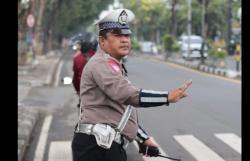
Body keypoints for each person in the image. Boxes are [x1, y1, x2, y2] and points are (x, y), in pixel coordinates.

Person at [71, 8, 192, 161]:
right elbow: (126, 95)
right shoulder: (100, 64)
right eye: (117, 35)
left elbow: (121, 110)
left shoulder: (113, 65)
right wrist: (167, 97)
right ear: (102, 41)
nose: (124, 40)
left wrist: (142, 138)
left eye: (127, 35)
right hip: (95, 148)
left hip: (106, 146)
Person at [72, 34, 96, 107]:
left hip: (83, 90)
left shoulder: (77, 59)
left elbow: (75, 79)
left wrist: (78, 91)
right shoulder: (98, 58)